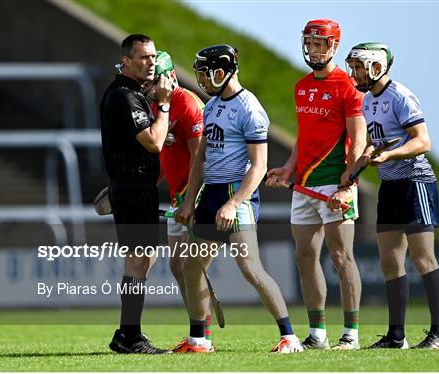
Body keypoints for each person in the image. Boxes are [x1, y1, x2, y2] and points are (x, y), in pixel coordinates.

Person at [174, 44, 303, 353]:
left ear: (223, 72)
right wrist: (190, 201)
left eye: (206, 74)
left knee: (250, 268)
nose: (202, 80)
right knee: (191, 267)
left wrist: (233, 204)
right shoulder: (213, 106)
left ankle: (289, 337)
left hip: (237, 194)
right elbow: (200, 160)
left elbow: (258, 166)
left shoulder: (250, 109)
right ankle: (198, 340)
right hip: (212, 194)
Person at [266, 19, 367, 350]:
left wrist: (349, 183)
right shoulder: (301, 86)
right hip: (304, 186)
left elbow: (358, 137)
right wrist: (288, 168)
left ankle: (351, 334)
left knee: (341, 256)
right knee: (305, 256)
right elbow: (304, 138)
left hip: (334, 187)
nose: (313, 49)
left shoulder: (347, 86)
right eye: (309, 43)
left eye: (320, 44)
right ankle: (318, 334)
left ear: (334, 46)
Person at [344, 42, 439, 349]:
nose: (354, 72)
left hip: (415, 182)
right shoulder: (366, 101)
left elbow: (422, 142)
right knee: (390, 261)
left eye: (359, 67)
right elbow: (378, 143)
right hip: (389, 186)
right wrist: (358, 165)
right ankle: (396, 336)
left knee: (422, 258)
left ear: (377, 67)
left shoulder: (400, 96)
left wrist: (389, 157)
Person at [101, 34, 173, 354]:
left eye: (153, 56)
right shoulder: (124, 95)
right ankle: (129, 336)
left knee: (144, 258)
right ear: (126, 61)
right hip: (132, 188)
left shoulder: (132, 93)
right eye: (143, 57)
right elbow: (153, 142)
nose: (151, 62)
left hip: (138, 186)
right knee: (138, 259)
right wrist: (166, 105)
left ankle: (129, 333)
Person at [148, 51, 215, 344]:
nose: (149, 86)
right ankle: (196, 333)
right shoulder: (155, 105)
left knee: (193, 267)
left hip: (196, 195)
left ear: (168, 76)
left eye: (154, 80)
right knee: (178, 266)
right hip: (178, 196)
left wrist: (191, 200)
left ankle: (202, 336)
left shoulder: (187, 102)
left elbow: (200, 156)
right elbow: (165, 156)